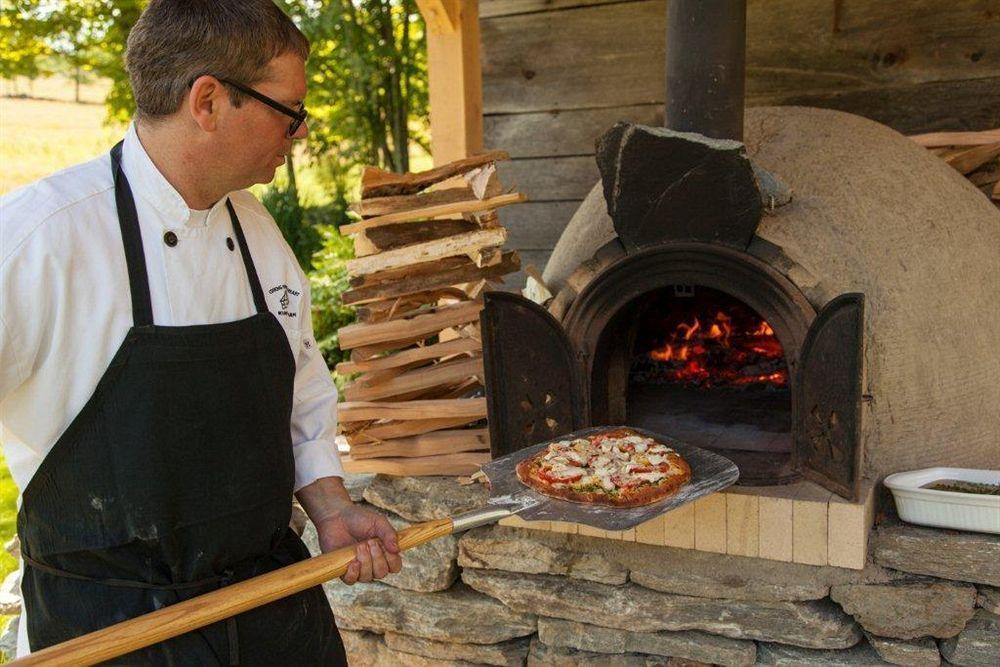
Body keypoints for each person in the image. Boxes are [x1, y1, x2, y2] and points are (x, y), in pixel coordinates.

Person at [0, 1, 401, 663]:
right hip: (110, 633)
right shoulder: (37, 242)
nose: (298, 132)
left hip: (274, 618)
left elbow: (299, 392)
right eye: (289, 111)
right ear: (209, 101)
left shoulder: (258, 234)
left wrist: (331, 505)